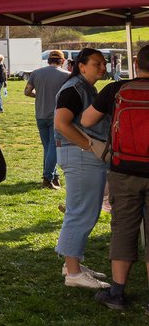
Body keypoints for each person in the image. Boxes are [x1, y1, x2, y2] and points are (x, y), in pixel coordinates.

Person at [80, 43, 149, 311]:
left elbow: (86, 121)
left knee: (123, 229)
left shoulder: (115, 89)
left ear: (136, 64)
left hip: (123, 171)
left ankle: (117, 293)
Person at [52, 48, 111, 290]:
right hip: (80, 155)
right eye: (96, 63)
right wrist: (89, 145)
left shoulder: (83, 87)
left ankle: (72, 264)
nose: (102, 67)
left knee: (82, 210)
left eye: (104, 63)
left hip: (81, 154)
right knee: (82, 212)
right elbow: (61, 123)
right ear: (81, 66)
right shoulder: (75, 88)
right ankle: (74, 273)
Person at [26, 49, 68, 189]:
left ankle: (54, 176)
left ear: (49, 60)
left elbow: (27, 91)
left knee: (47, 147)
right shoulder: (66, 75)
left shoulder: (36, 73)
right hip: (57, 116)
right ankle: (48, 177)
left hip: (40, 114)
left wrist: (38, 96)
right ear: (62, 61)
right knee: (54, 147)